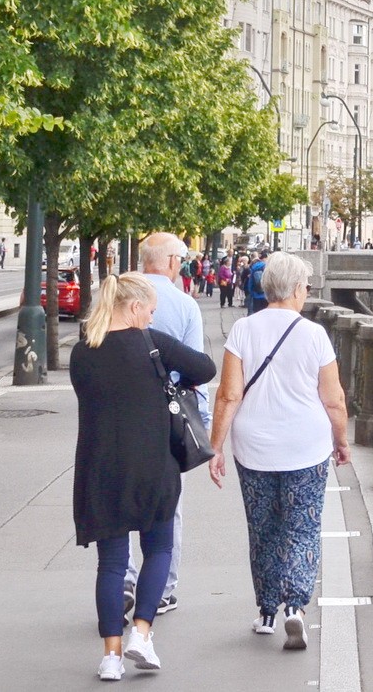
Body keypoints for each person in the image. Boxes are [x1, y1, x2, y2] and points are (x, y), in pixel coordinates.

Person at [72, 272, 216, 681]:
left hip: (100, 468)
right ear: (134, 308)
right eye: (150, 311)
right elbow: (204, 369)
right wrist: (169, 377)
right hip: (153, 465)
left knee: (112, 564)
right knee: (159, 551)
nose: (152, 318)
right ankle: (142, 633)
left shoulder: (83, 351)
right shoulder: (154, 345)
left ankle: (111, 657)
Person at [208, 251, 349, 650]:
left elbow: (228, 394)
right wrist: (341, 441)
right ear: (295, 289)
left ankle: (267, 611)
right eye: (306, 285)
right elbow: (334, 399)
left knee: (264, 528)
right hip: (306, 445)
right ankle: (296, 609)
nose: (307, 291)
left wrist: (215, 446)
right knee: (302, 527)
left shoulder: (243, 330)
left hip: (254, 447)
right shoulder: (314, 335)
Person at [122, 233, 207, 616]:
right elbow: (198, 371)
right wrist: (201, 429)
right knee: (169, 506)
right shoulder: (185, 305)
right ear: (173, 261)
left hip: (120, 416)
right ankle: (163, 589)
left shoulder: (117, 295)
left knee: (120, 501)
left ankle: (122, 578)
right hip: (167, 419)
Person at [245, 250, 269, 315]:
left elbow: (250, 284)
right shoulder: (267, 268)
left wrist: (251, 292)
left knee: (256, 313)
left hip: (256, 295)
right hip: (265, 296)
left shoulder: (254, 268)